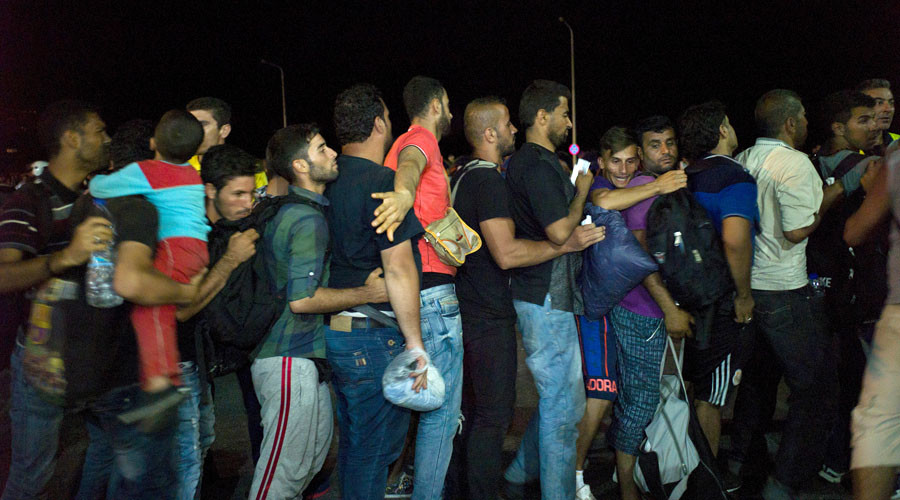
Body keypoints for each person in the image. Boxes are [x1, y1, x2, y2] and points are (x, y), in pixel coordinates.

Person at [447, 96, 604, 500]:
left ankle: (515, 475)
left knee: (513, 409)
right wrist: (569, 234)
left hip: (481, 305)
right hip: (507, 305)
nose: (512, 129)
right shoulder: (494, 178)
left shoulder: (468, 174)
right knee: (515, 414)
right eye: (565, 113)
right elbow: (515, 249)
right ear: (489, 133)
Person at [252, 123, 391, 498]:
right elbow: (303, 299)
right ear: (300, 165)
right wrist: (369, 291)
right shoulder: (305, 219)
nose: (332, 153)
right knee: (279, 478)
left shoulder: (301, 210)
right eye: (321, 148)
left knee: (303, 467)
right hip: (286, 359)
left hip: (301, 359)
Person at [731, 89, 843, 498]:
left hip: (749, 288)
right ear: (791, 123)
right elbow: (796, 231)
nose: (808, 125)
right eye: (804, 119)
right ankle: (785, 480)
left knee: (759, 382)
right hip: (784, 291)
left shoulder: (743, 159)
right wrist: (832, 195)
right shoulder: (794, 164)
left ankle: (740, 461)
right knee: (816, 388)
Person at [0, 100, 114, 500]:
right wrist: (66, 257)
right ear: (72, 138)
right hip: (43, 360)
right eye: (100, 131)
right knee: (32, 475)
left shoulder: (95, 197)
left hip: (94, 353)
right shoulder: (27, 202)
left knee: (112, 448)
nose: (108, 138)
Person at [327, 84, 429, 499]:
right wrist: (416, 346)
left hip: (335, 329)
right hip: (374, 334)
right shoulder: (383, 185)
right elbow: (400, 271)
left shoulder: (325, 181)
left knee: (354, 443)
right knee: (375, 449)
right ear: (379, 124)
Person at [588, 126, 693, 500]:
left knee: (629, 397)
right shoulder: (613, 187)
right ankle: (625, 486)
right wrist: (668, 308)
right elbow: (639, 252)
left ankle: (618, 474)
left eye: (631, 160)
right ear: (602, 161)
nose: (625, 168)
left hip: (627, 306)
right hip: (639, 309)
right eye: (617, 161)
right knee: (639, 400)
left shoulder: (626, 185)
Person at [374, 75, 464, 500]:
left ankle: (399, 484)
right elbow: (411, 163)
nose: (450, 112)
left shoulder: (400, 145)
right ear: (436, 104)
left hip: (416, 292)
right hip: (434, 293)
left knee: (422, 405)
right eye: (448, 104)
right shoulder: (419, 140)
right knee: (442, 414)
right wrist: (405, 194)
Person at [499, 79, 588, 500]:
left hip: (543, 294)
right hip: (546, 295)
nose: (568, 122)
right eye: (564, 113)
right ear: (541, 116)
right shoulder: (535, 164)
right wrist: (582, 191)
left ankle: (519, 474)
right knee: (564, 410)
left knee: (557, 399)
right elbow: (558, 230)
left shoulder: (533, 162)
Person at [89, 110, 210, 417]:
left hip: (173, 248)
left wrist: (95, 177)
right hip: (196, 248)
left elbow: (101, 189)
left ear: (154, 142)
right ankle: (164, 377)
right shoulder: (191, 174)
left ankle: (161, 383)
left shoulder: (148, 171)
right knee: (163, 312)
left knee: (150, 312)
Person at [170, 144, 260, 499]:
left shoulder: (221, 227)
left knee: (203, 441)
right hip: (176, 363)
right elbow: (183, 309)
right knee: (186, 459)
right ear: (210, 190)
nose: (247, 202)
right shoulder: (188, 234)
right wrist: (231, 261)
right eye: (237, 194)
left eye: (251, 193)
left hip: (198, 362)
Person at [677, 101, 757, 480]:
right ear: (722, 130)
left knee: (692, 387)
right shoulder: (734, 178)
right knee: (712, 396)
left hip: (683, 296)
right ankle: (706, 479)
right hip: (719, 301)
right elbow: (736, 241)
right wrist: (744, 296)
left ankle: (686, 466)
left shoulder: (683, 175)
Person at [811, 90, 883, 485]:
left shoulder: (813, 163)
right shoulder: (868, 167)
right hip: (862, 291)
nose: (875, 127)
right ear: (839, 126)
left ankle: (835, 460)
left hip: (827, 287)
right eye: (864, 120)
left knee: (844, 381)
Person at [186, 96, 268, 191]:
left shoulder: (251, 169)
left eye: (202, 124)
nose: (194, 131)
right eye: (191, 124)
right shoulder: (179, 168)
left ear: (224, 130)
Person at [856, 79, 898, 154]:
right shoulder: (846, 149)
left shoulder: (898, 141)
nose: (888, 109)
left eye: (891, 103)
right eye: (879, 102)